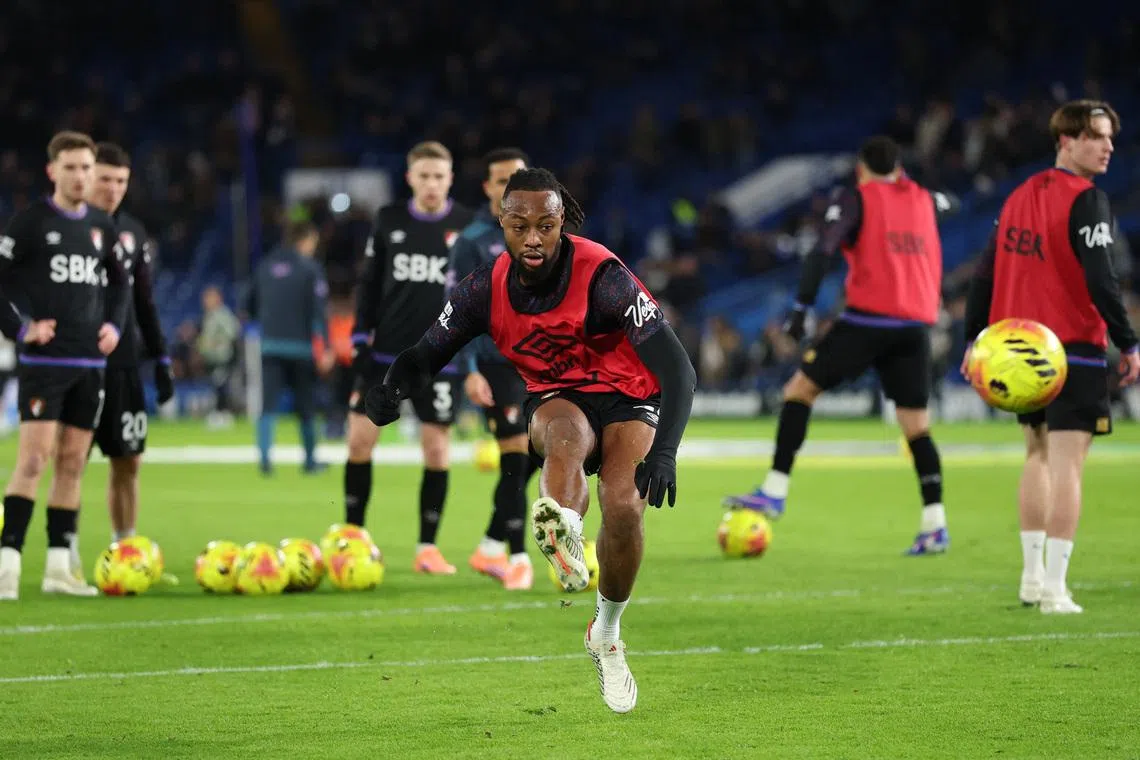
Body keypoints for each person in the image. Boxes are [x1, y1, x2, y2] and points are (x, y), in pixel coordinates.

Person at [364, 168, 696, 714]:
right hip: (557, 396)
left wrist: (665, 452)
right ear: (503, 224)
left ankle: (605, 634)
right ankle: (564, 528)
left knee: (624, 508)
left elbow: (678, 370)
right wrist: (391, 389)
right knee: (562, 436)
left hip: (630, 394)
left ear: (562, 221)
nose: (534, 238)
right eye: (520, 226)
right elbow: (426, 352)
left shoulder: (604, 276)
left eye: (546, 225)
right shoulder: (483, 288)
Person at [725, 136, 958, 554]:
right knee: (917, 427)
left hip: (869, 320)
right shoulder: (924, 198)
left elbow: (822, 251)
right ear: (900, 169)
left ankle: (775, 490)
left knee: (799, 391)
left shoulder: (858, 198)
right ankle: (935, 524)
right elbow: (950, 203)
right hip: (915, 328)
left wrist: (801, 309)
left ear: (862, 168)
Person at [963, 100, 1140, 614]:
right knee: (1069, 467)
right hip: (1072, 352)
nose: (1108, 147)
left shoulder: (1018, 196)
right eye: (1096, 137)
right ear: (1066, 141)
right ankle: (1057, 589)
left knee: (1036, 457)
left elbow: (984, 274)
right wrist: (1127, 342)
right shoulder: (1087, 199)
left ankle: (1032, 578)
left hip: (1016, 354)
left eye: (1110, 138)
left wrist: (975, 339)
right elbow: (1102, 279)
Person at [0, 131, 129, 600]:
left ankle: (58, 568)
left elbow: (120, 284)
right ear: (52, 170)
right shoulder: (31, 223)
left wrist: (113, 327)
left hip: (89, 362)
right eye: (71, 167)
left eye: (86, 168)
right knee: (34, 459)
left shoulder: (102, 225)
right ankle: (7, 562)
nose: (80, 176)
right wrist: (20, 328)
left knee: (73, 463)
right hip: (45, 362)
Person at [344, 141, 473, 575]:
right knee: (360, 441)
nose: (432, 183)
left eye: (440, 176)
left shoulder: (466, 226)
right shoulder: (389, 220)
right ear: (410, 178)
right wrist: (359, 337)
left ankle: (427, 549)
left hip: (441, 357)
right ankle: (353, 537)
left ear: (450, 178)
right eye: (424, 176)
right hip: (384, 354)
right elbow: (369, 283)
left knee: (436, 449)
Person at [449, 147, 537, 590]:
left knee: (533, 457)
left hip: (536, 363)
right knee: (517, 458)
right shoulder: (470, 242)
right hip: (493, 363)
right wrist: (468, 369)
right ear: (487, 188)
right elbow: (457, 310)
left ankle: (487, 547)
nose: (509, 189)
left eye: (516, 180)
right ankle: (517, 557)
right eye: (501, 181)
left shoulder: (540, 236)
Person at [87, 142, 175, 546]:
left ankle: (125, 547)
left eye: (121, 180)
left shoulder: (133, 233)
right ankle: (63, 551)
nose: (113, 188)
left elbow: (144, 301)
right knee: (70, 461)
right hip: (76, 364)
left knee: (129, 460)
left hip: (123, 365)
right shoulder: (67, 228)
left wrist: (160, 357)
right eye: (105, 178)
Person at [247, 219, 332, 474]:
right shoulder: (310, 269)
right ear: (305, 240)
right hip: (301, 349)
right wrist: (325, 347)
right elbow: (318, 313)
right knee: (305, 406)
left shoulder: (264, 267)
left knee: (268, 406)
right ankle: (309, 461)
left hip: (270, 346)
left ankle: (264, 460)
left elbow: (249, 305)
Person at [198, 285, 240, 428]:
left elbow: (232, 332)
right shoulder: (210, 315)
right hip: (213, 359)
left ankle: (223, 414)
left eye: (209, 298)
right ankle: (221, 413)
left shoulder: (222, 314)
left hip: (222, 357)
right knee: (217, 386)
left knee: (221, 385)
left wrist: (215, 343)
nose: (206, 301)